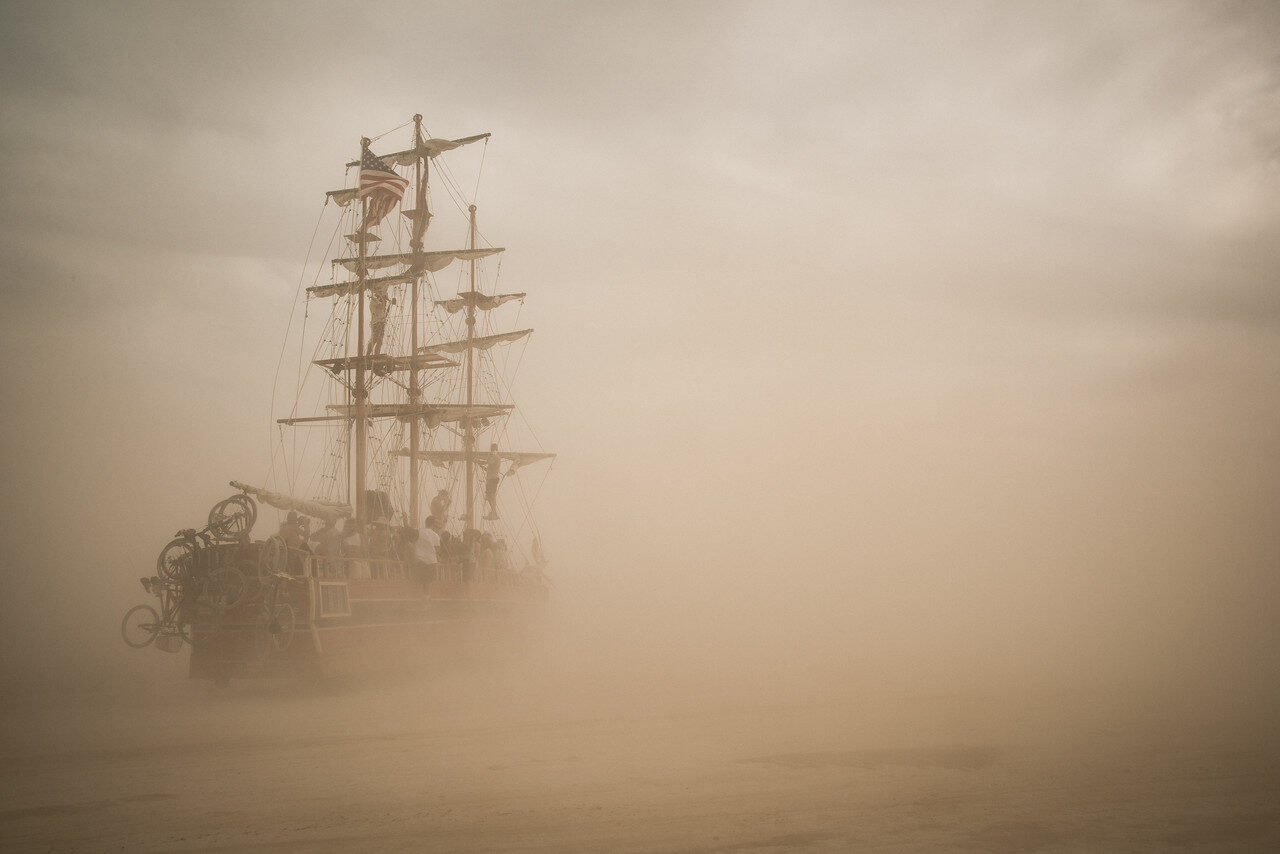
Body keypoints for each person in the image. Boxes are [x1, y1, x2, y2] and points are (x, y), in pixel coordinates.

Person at [413, 514, 441, 587]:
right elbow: (438, 550)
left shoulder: (418, 532)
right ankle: (427, 596)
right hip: (431, 561)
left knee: (420, 580)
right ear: (433, 524)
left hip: (419, 560)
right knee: (428, 581)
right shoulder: (435, 535)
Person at [366, 285, 394, 356]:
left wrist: (388, 304)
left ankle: (376, 354)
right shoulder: (374, 301)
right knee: (374, 339)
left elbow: (384, 312)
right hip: (376, 322)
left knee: (380, 341)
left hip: (381, 322)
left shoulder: (379, 301)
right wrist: (384, 299)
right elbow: (381, 307)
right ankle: (368, 354)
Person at [483, 444, 502, 520]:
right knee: (488, 497)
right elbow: (489, 464)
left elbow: (489, 461)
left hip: (493, 479)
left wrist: (490, 455)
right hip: (490, 478)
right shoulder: (494, 456)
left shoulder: (495, 456)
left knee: (492, 496)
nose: (492, 450)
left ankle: (494, 513)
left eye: (493, 449)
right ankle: (493, 512)